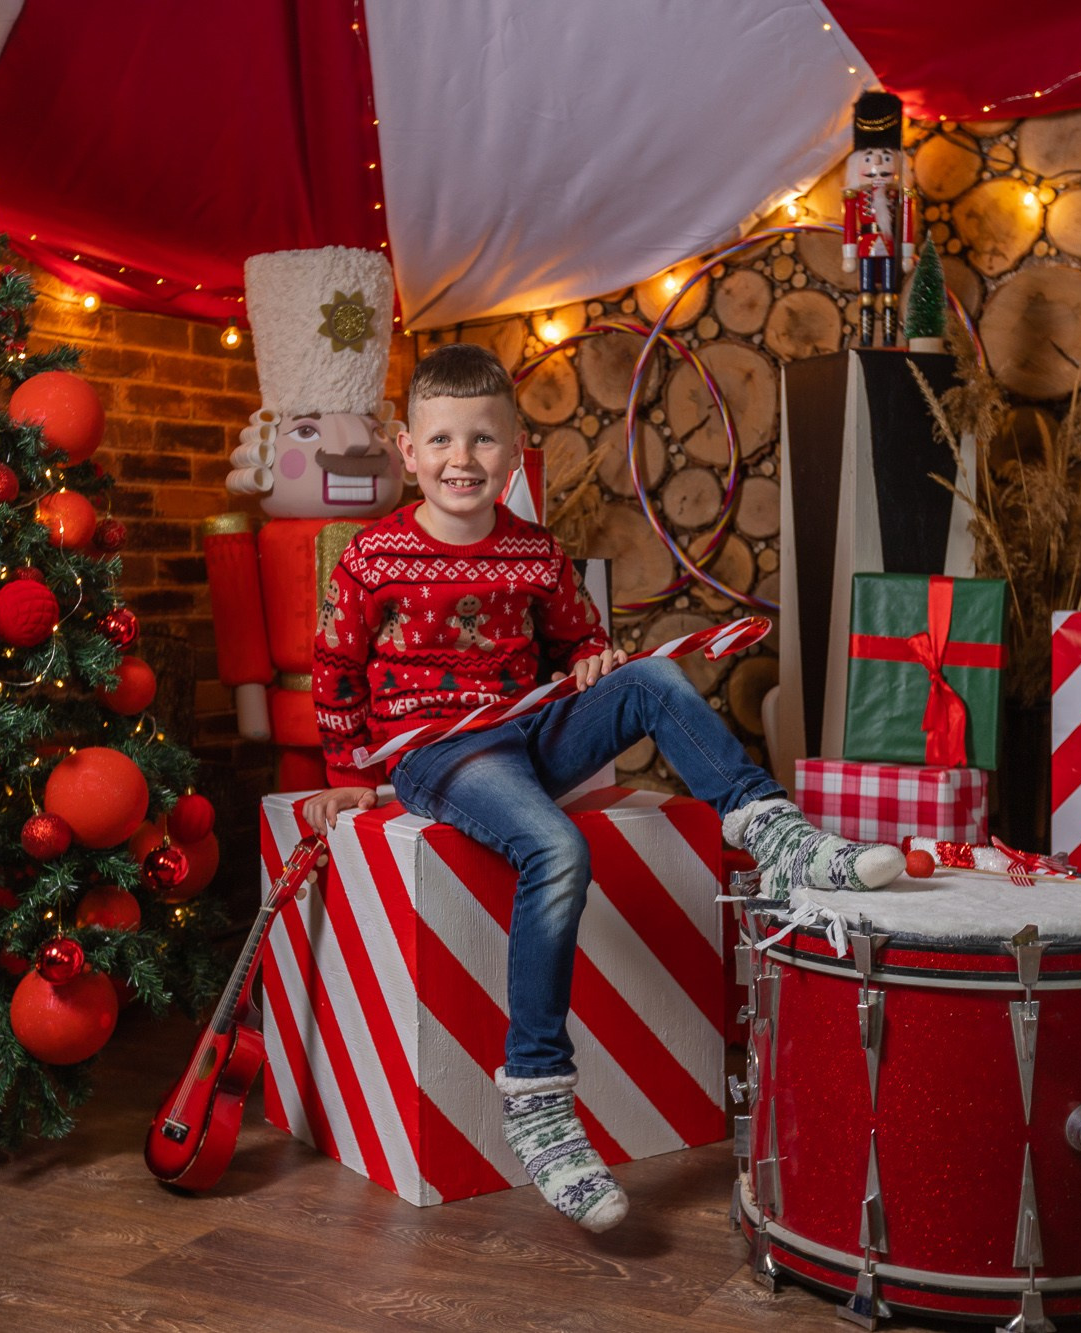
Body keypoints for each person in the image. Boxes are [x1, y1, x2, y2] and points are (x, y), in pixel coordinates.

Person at [304, 342, 904, 1233]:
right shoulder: (373, 556)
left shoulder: (536, 553)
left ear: (511, 452)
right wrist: (349, 775)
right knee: (556, 845)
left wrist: (592, 659)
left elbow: (576, 641)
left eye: (481, 440)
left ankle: (776, 837)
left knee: (653, 682)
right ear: (406, 449)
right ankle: (540, 1097)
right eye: (440, 441)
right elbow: (335, 669)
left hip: (532, 729)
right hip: (444, 755)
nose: (460, 459)